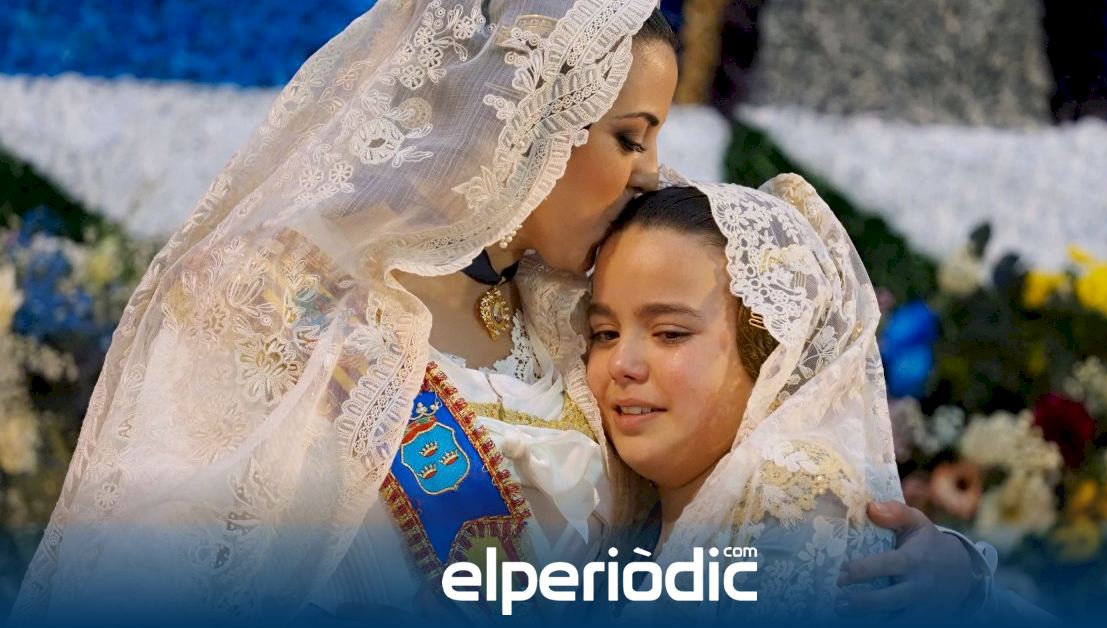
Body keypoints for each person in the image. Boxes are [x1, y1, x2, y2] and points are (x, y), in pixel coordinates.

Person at [11, 1, 992, 624]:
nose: (650, 173)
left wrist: (945, 570)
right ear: (525, 120)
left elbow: (782, 466)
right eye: (630, 136)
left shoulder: (588, 315)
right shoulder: (276, 300)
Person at [588, 175, 1054, 622]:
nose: (621, 363)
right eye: (604, 333)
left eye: (670, 333)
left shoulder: (794, 493)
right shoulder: (631, 517)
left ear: (773, 347)